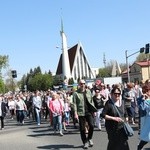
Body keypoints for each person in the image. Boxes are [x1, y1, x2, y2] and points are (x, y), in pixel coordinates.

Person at [73, 79, 97, 149]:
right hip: (81, 112)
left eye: (83, 83)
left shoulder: (88, 91)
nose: (82, 85)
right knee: (82, 129)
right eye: (81, 83)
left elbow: (91, 101)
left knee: (92, 125)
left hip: (89, 111)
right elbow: (74, 104)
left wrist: (93, 110)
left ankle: (89, 138)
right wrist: (75, 113)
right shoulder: (76, 93)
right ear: (79, 84)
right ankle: (85, 142)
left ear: (85, 84)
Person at [137, 83, 150, 150]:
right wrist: (143, 99)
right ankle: (139, 147)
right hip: (146, 119)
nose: (146, 93)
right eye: (144, 91)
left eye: (147, 91)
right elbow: (142, 108)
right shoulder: (140, 99)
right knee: (146, 136)